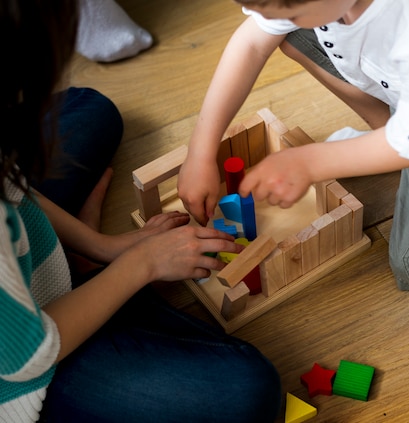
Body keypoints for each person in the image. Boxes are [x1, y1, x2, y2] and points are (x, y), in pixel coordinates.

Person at [0, 0, 282, 422]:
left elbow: (12, 184)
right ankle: (85, 286)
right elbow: (28, 356)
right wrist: (140, 264)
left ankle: (79, 270)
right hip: (26, 367)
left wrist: (101, 244)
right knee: (249, 394)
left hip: (20, 263)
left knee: (88, 109)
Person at [177, 0, 409, 290]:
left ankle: (395, 146)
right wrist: (200, 151)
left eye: (292, 12)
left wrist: (310, 163)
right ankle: (390, 136)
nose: (282, 21)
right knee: (292, 37)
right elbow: (251, 42)